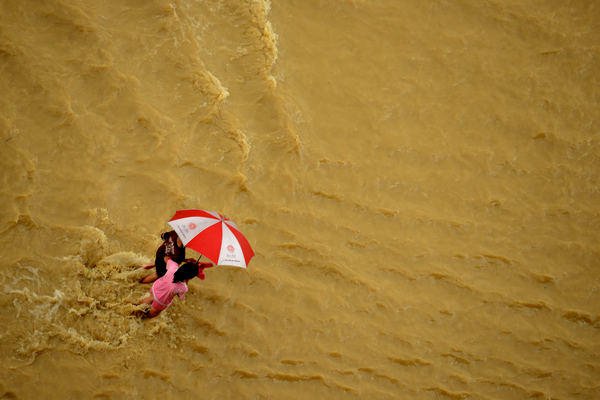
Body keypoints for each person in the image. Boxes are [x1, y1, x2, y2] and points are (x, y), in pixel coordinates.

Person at [135, 258, 211, 318]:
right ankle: (143, 317)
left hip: (156, 289)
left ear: (182, 267)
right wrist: (186, 281)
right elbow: (181, 297)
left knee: (150, 298)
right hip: (162, 300)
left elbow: (166, 258)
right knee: (153, 313)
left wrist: (186, 261)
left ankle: (135, 308)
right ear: (190, 278)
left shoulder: (173, 267)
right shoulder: (183, 288)